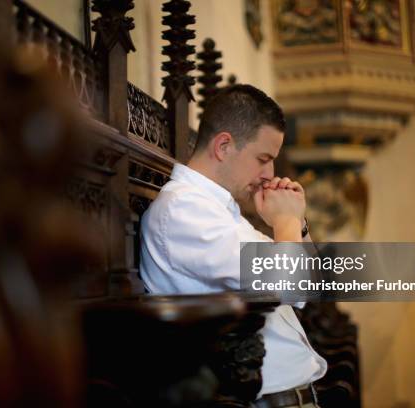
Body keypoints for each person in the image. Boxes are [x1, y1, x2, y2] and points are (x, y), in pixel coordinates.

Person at [140, 84, 327, 408]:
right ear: (224, 145)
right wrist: (285, 222)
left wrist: (298, 222)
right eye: (263, 159)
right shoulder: (183, 211)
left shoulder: (222, 211)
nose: (270, 175)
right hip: (253, 399)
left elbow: (312, 286)